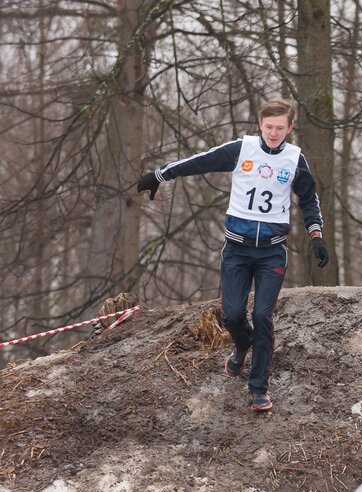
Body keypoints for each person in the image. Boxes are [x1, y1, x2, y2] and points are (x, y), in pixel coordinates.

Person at [136, 99, 328, 412]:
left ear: (290, 128)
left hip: (271, 253)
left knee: (263, 316)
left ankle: (258, 389)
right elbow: (200, 161)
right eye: (269, 127)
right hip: (236, 250)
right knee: (233, 315)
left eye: (281, 128)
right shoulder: (243, 149)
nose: (274, 133)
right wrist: (160, 175)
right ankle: (242, 345)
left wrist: (316, 235)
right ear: (260, 124)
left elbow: (309, 200)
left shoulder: (295, 159)